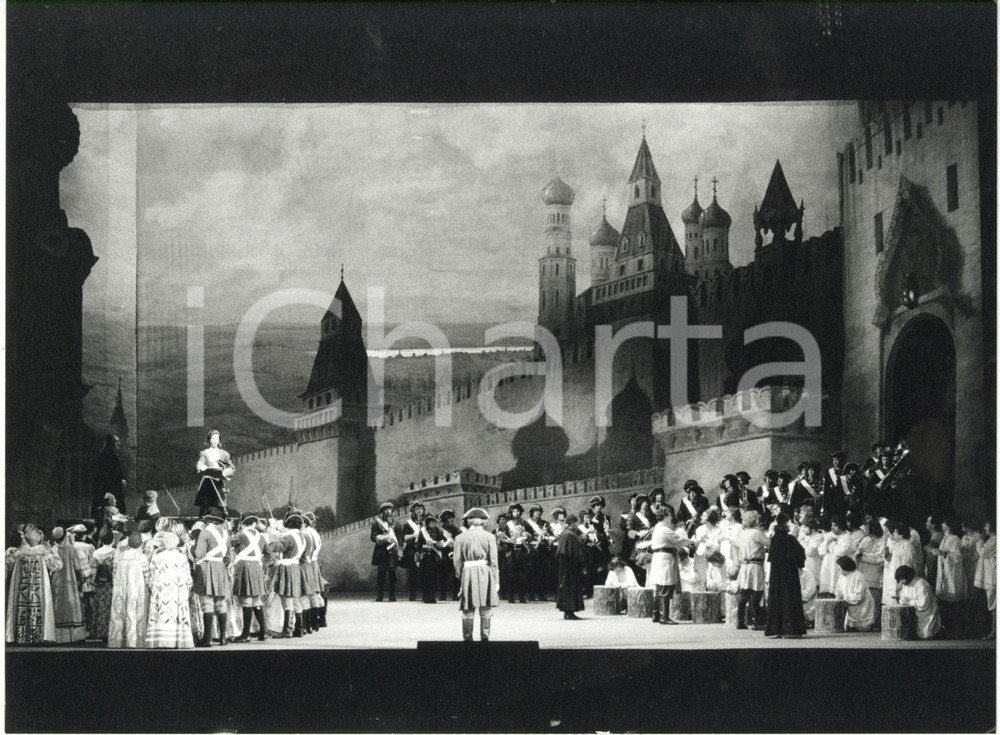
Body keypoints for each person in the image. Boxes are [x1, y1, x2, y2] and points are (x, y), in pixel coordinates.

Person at [5, 525, 63, 644]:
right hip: (38, 589)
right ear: (36, 537)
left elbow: (8, 565)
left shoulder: (17, 552)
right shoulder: (43, 551)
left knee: (20, 608)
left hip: (22, 589)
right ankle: (37, 636)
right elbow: (56, 565)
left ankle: (19, 636)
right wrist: (54, 552)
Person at [452, 508, 500, 642]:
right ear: (483, 521)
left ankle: (467, 641)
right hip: (486, 572)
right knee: (486, 607)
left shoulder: (460, 537)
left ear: (469, 521)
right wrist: (496, 580)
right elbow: (494, 561)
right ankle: (485, 639)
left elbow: (457, 561)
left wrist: (460, 576)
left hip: (467, 573)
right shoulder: (490, 537)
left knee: (468, 608)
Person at [144, 531, 194, 648]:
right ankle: (177, 640)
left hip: (161, 588)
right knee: (176, 613)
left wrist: (152, 588)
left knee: (161, 612)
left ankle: (160, 640)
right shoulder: (182, 557)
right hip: (178, 588)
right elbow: (187, 577)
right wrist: (188, 588)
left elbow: (151, 576)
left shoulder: (157, 556)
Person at [192, 507, 232, 646]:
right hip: (220, 568)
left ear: (209, 519)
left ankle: (207, 639)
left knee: (207, 603)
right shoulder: (226, 534)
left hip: (206, 568)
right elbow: (228, 558)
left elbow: (199, 554)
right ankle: (223, 638)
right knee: (221, 604)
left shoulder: (205, 532)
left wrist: (193, 548)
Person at [765, 512, 807, 639]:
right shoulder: (790, 539)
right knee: (790, 599)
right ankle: (791, 629)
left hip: (776, 574)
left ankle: (775, 629)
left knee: (777, 598)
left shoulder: (774, 539)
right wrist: (798, 563)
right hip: (789, 574)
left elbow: (772, 557)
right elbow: (800, 553)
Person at [231, 514, 270, 643]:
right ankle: (263, 631)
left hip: (244, 567)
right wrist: (263, 567)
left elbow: (227, 543)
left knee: (246, 600)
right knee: (257, 600)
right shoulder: (262, 537)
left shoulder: (241, 536)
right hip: (257, 567)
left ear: (243, 525)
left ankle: (246, 634)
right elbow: (269, 555)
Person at [926, 516, 967, 637]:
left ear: (948, 526)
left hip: (952, 574)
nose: (942, 525)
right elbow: (942, 553)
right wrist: (934, 551)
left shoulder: (954, 539)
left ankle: (956, 630)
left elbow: (958, 557)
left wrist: (942, 553)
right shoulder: (945, 538)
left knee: (954, 604)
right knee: (945, 602)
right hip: (944, 573)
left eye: (944, 524)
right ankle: (947, 627)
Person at [107, 531, 150, 648]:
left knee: (119, 611)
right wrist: (149, 586)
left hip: (120, 587)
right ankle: (134, 640)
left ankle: (117, 640)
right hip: (136, 588)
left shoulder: (120, 555)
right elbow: (147, 575)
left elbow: (114, 571)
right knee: (135, 611)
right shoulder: (141, 557)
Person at [647, 505, 688, 625]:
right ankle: (664, 617)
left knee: (659, 587)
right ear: (665, 516)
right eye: (670, 514)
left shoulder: (658, 528)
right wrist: (693, 542)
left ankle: (656, 614)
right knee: (665, 586)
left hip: (660, 558)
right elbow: (680, 540)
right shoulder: (664, 529)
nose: (671, 517)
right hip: (665, 558)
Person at [271, 512, 306, 638]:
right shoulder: (301, 536)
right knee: (295, 598)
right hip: (296, 567)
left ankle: (287, 629)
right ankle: (299, 628)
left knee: (287, 598)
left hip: (286, 568)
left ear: (288, 524)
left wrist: (274, 533)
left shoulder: (288, 537)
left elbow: (274, 547)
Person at [49, 527, 87, 643]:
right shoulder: (71, 549)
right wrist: (82, 578)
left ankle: (57, 635)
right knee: (71, 604)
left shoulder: (52, 549)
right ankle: (73, 636)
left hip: (56, 581)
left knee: (57, 604)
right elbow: (78, 566)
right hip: (70, 580)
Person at [734, 510, 770, 630]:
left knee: (744, 592)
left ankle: (740, 621)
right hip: (755, 564)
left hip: (744, 565)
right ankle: (757, 621)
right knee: (756, 592)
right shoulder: (757, 533)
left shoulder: (742, 533)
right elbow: (769, 544)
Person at [194, 430, 234, 517]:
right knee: (204, 507)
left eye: (217, 438)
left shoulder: (224, 454)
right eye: (213, 438)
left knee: (222, 507)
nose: (215, 441)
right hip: (208, 482)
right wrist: (202, 467)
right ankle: (201, 524)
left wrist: (224, 473)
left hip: (218, 481)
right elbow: (200, 463)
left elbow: (231, 468)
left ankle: (225, 524)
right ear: (209, 440)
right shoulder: (205, 453)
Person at [895, 565, 942, 640]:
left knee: (925, 634)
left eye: (902, 580)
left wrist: (910, 602)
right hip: (914, 611)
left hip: (925, 612)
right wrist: (903, 601)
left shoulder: (921, 584)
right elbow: (903, 598)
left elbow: (924, 603)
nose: (901, 582)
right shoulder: (906, 584)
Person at [555, 513, 586, 620]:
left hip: (566, 566)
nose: (576, 525)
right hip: (570, 566)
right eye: (575, 523)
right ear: (571, 523)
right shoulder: (569, 534)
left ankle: (567, 612)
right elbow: (577, 549)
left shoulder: (565, 533)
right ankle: (570, 611)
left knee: (566, 588)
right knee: (571, 588)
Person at [395, 501, 426, 602]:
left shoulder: (426, 522)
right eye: (417, 509)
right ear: (413, 511)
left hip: (423, 549)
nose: (419, 511)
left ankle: (425, 594)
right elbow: (404, 537)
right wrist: (413, 535)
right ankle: (412, 594)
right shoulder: (408, 524)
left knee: (424, 572)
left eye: (421, 509)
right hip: (412, 549)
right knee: (413, 573)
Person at [834, 556, 876, 631]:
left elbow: (859, 595)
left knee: (862, 628)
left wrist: (847, 601)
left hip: (862, 605)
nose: (837, 569)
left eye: (839, 567)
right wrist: (839, 599)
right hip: (849, 605)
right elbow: (838, 589)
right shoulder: (842, 576)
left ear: (845, 567)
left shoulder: (858, 576)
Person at [856, 518, 886, 623]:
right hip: (864, 572)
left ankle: (876, 619)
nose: (866, 530)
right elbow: (858, 553)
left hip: (876, 574)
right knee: (866, 599)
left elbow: (879, 558)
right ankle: (866, 619)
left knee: (875, 598)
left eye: (868, 528)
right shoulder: (865, 540)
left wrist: (863, 555)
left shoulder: (881, 541)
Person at [92, 434, 127, 516]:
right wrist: (120, 480)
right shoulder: (106, 456)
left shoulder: (111, 454)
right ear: (110, 443)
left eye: (119, 441)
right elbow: (106, 474)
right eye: (116, 441)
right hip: (109, 489)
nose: (119, 443)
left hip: (113, 487)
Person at [301, 512, 325, 631]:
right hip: (314, 562)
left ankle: (312, 623)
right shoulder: (314, 532)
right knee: (316, 593)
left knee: (310, 594)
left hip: (308, 563)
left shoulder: (306, 533)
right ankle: (319, 621)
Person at [883, 521, 917, 605]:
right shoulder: (897, 545)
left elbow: (907, 565)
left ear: (901, 534)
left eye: (895, 531)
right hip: (894, 580)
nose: (893, 533)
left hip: (901, 581)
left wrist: (901, 582)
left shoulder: (907, 545)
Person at [523, 505, 552, 602]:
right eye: (535, 511)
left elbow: (549, 536)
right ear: (532, 512)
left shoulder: (545, 524)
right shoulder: (526, 523)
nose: (538, 513)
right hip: (532, 549)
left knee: (542, 572)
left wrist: (546, 536)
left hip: (542, 549)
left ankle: (541, 594)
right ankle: (531, 595)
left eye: (539, 511)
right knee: (531, 572)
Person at [371, 502, 398, 602]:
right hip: (382, 551)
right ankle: (380, 594)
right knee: (381, 574)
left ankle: (392, 595)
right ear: (382, 512)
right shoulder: (376, 523)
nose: (388, 511)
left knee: (392, 574)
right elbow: (373, 536)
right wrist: (384, 538)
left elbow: (398, 536)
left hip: (392, 551)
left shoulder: (395, 523)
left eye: (390, 509)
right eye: (386, 509)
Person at [504, 503, 532, 604]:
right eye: (514, 511)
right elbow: (503, 538)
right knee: (511, 574)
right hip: (512, 551)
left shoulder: (524, 523)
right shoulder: (507, 525)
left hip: (522, 551)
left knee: (522, 575)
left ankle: (522, 596)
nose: (516, 513)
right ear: (511, 513)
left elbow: (531, 535)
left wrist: (526, 535)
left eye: (518, 511)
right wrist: (510, 541)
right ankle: (511, 597)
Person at [90, 532, 115, 643]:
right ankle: (109, 631)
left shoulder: (96, 552)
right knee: (110, 606)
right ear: (113, 540)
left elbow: (93, 569)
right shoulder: (115, 553)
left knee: (99, 606)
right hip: (111, 583)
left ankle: (98, 631)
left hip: (100, 584)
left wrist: (92, 581)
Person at [627, 494, 655, 587]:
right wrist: (638, 534)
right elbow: (629, 532)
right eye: (643, 503)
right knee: (641, 567)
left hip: (652, 542)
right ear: (639, 504)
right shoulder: (634, 517)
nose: (645, 504)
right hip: (640, 544)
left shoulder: (651, 516)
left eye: (646, 502)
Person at [416, 514, 446, 604]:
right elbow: (418, 545)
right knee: (425, 577)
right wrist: (417, 557)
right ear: (427, 522)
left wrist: (436, 544)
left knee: (433, 577)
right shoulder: (423, 531)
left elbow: (442, 543)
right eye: (431, 521)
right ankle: (425, 597)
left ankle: (432, 597)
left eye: (434, 521)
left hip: (434, 556)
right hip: (425, 557)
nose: (433, 523)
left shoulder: (439, 531)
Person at [974, 521, 996, 640]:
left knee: (993, 603)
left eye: (987, 526)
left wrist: (979, 541)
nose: (985, 528)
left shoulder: (994, 540)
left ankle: (994, 632)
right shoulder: (992, 540)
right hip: (991, 576)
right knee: (992, 603)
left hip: (993, 577)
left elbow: (983, 552)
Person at [438, 509, 462, 602]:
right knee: (443, 576)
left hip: (454, 554)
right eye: (448, 518)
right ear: (444, 519)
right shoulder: (440, 530)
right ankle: (442, 595)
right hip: (444, 554)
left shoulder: (456, 530)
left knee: (455, 575)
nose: (451, 520)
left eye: (452, 518)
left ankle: (455, 595)